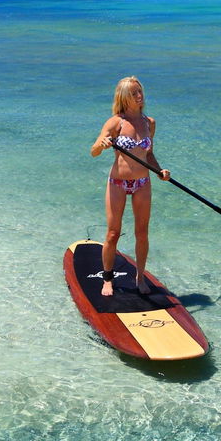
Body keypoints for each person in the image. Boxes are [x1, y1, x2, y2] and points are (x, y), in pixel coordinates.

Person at [89, 76, 172, 297]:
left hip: (143, 183)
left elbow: (149, 154)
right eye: (134, 93)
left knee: (142, 233)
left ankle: (140, 277)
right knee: (113, 233)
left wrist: (160, 171)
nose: (140, 96)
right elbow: (94, 151)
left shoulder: (149, 123)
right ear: (124, 96)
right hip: (117, 183)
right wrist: (102, 144)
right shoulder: (116, 122)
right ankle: (107, 279)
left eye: (140, 91)